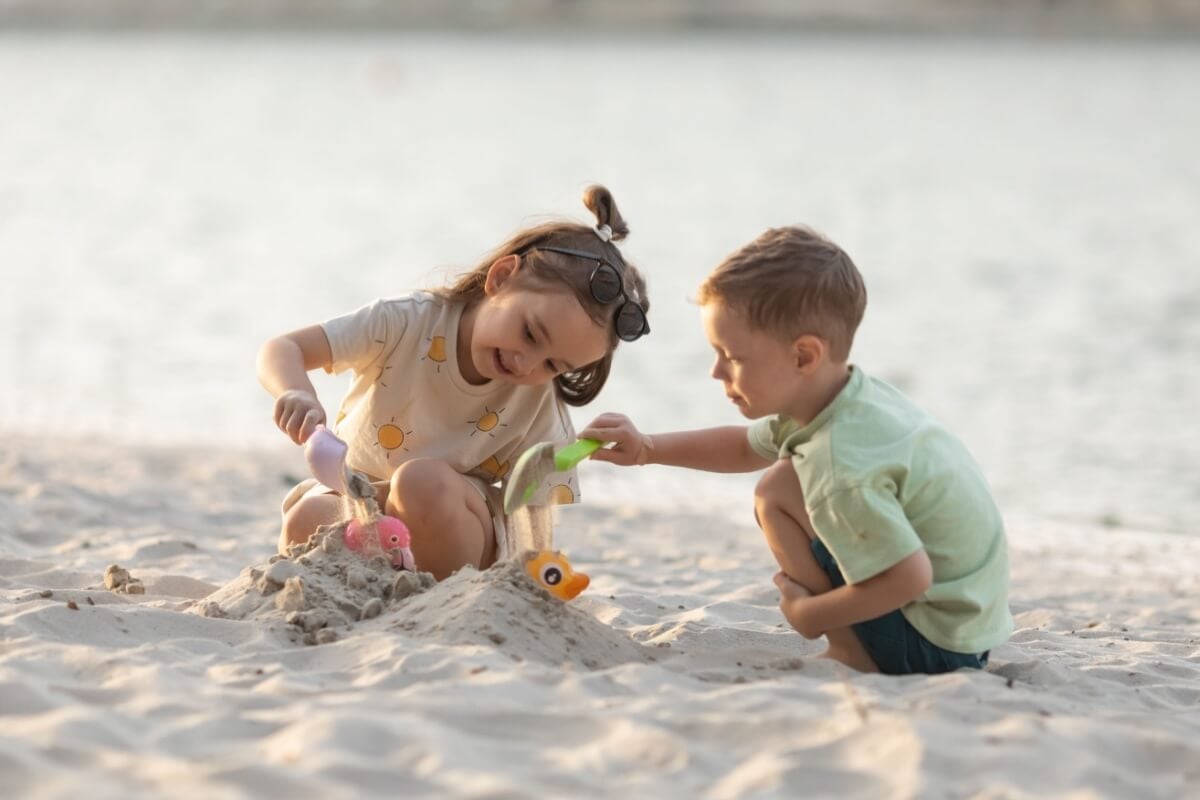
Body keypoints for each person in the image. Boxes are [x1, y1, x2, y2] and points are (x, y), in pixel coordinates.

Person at [581, 226, 1011, 675]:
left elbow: (909, 577)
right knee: (785, 475)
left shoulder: (838, 462)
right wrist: (647, 448)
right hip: (966, 628)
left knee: (776, 492)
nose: (715, 372)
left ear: (804, 356)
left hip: (935, 644)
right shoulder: (850, 398)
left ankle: (850, 651)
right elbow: (744, 447)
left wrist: (812, 616)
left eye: (732, 356)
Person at [257, 186, 650, 581]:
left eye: (553, 364)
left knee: (419, 482)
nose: (526, 363)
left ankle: (438, 595)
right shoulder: (404, 322)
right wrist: (295, 392)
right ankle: (379, 579)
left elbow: (534, 526)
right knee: (308, 517)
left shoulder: (538, 403)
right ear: (501, 278)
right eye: (529, 333)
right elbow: (284, 347)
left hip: (454, 524)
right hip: (358, 495)